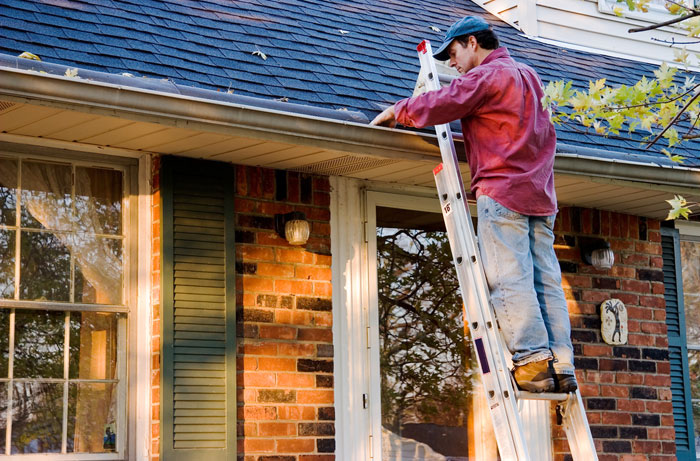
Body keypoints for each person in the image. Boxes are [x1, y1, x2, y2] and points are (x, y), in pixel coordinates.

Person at [371, 15, 577, 393]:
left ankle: (532, 362)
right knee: (545, 279)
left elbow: (448, 100)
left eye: (452, 53)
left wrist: (400, 110)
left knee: (509, 278)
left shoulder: (488, 76)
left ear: (471, 43)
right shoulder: (530, 76)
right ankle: (561, 363)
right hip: (540, 196)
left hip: (504, 195)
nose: (451, 64)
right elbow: (532, 139)